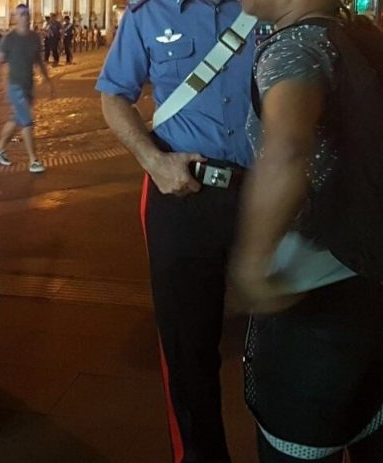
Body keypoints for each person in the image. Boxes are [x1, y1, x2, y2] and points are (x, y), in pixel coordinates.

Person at [96, 0, 256, 461]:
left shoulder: (263, 7)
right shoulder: (148, 14)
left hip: (266, 196)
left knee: (288, 338)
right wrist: (153, 161)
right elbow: (113, 94)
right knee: (187, 351)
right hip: (181, 195)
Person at [232, 0, 383, 461]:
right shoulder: (359, 36)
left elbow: (288, 148)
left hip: (314, 308)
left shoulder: (293, 49)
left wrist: (252, 264)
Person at [0, 4, 54, 174]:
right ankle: (33, 160)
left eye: (26, 14)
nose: (25, 17)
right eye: (21, 14)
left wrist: (48, 81)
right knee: (27, 122)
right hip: (15, 87)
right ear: (15, 17)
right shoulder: (9, 39)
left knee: (16, 119)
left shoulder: (34, 38)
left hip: (28, 87)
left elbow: (39, 61)